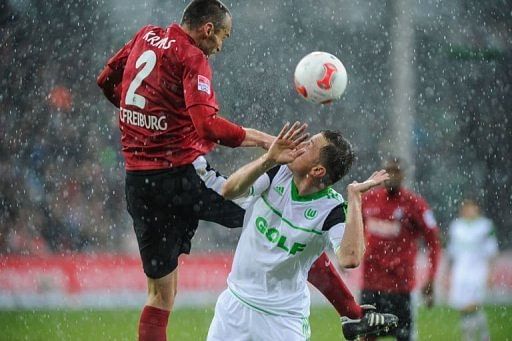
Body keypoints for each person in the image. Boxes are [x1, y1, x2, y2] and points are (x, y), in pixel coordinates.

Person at [97, 1, 393, 340]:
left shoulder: (145, 36)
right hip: (182, 176)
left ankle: (351, 315)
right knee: (290, 228)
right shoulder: (193, 56)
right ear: (208, 29)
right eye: (223, 36)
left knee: (159, 296)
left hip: (139, 182)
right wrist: (266, 143)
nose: (221, 45)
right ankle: (352, 315)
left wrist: (147, 125)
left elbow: (105, 81)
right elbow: (207, 127)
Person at [207, 123, 398, 340]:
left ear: (317, 171)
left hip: (283, 320)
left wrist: (355, 198)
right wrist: (268, 158)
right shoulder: (277, 171)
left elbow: (350, 258)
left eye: (309, 145)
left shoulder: (332, 209)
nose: (300, 145)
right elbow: (229, 190)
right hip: (234, 306)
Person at [359, 157, 441, 341]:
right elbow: (353, 231)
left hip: (400, 286)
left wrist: (431, 277)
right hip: (371, 283)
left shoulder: (414, 204)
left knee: (404, 336)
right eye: (388, 171)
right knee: (365, 335)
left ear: (403, 175)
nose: (391, 176)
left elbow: (434, 242)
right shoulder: (368, 199)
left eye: (396, 171)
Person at [447, 199, 498, 341]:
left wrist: (490, 274)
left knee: (473, 306)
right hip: (460, 272)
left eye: (472, 208)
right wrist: (448, 274)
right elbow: (452, 253)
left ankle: (481, 336)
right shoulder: (456, 226)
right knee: (464, 308)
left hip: (478, 271)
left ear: (477, 209)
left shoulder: (486, 226)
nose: (468, 211)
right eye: (466, 208)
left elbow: (492, 252)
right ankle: (471, 336)